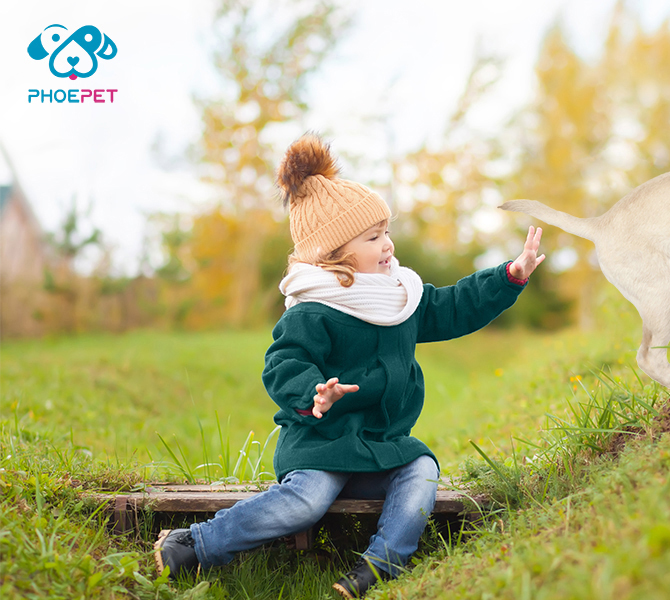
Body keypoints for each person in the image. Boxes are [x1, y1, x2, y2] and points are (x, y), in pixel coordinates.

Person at [154, 133, 544, 599]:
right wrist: (315, 393)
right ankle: (195, 544)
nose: (388, 244)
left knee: (421, 469)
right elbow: (283, 362)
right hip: (320, 446)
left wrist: (508, 277)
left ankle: (380, 565)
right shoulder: (314, 308)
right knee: (306, 503)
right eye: (373, 236)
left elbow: (452, 307)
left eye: (386, 231)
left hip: (380, 446)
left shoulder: (399, 294)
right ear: (336, 252)